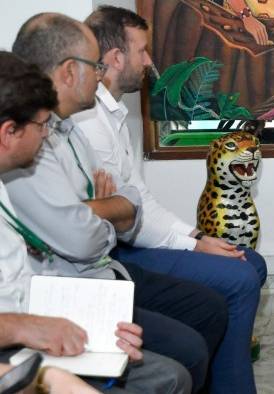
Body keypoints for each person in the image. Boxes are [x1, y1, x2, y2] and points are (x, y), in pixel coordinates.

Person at [6, 13, 228, 392]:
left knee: (206, 313)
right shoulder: (27, 160)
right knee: (180, 360)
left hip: (90, 283)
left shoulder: (70, 125)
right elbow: (84, 240)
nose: (45, 135)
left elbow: (131, 201)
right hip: (76, 290)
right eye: (95, 66)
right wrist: (106, 211)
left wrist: (98, 210)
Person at [73, 7, 267, 393]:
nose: (149, 61)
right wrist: (193, 243)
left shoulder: (111, 114)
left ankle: (219, 379)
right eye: (142, 51)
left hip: (129, 241)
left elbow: (136, 200)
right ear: (115, 59)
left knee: (250, 262)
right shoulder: (90, 123)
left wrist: (196, 236)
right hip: (119, 255)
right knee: (242, 275)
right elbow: (125, 220)